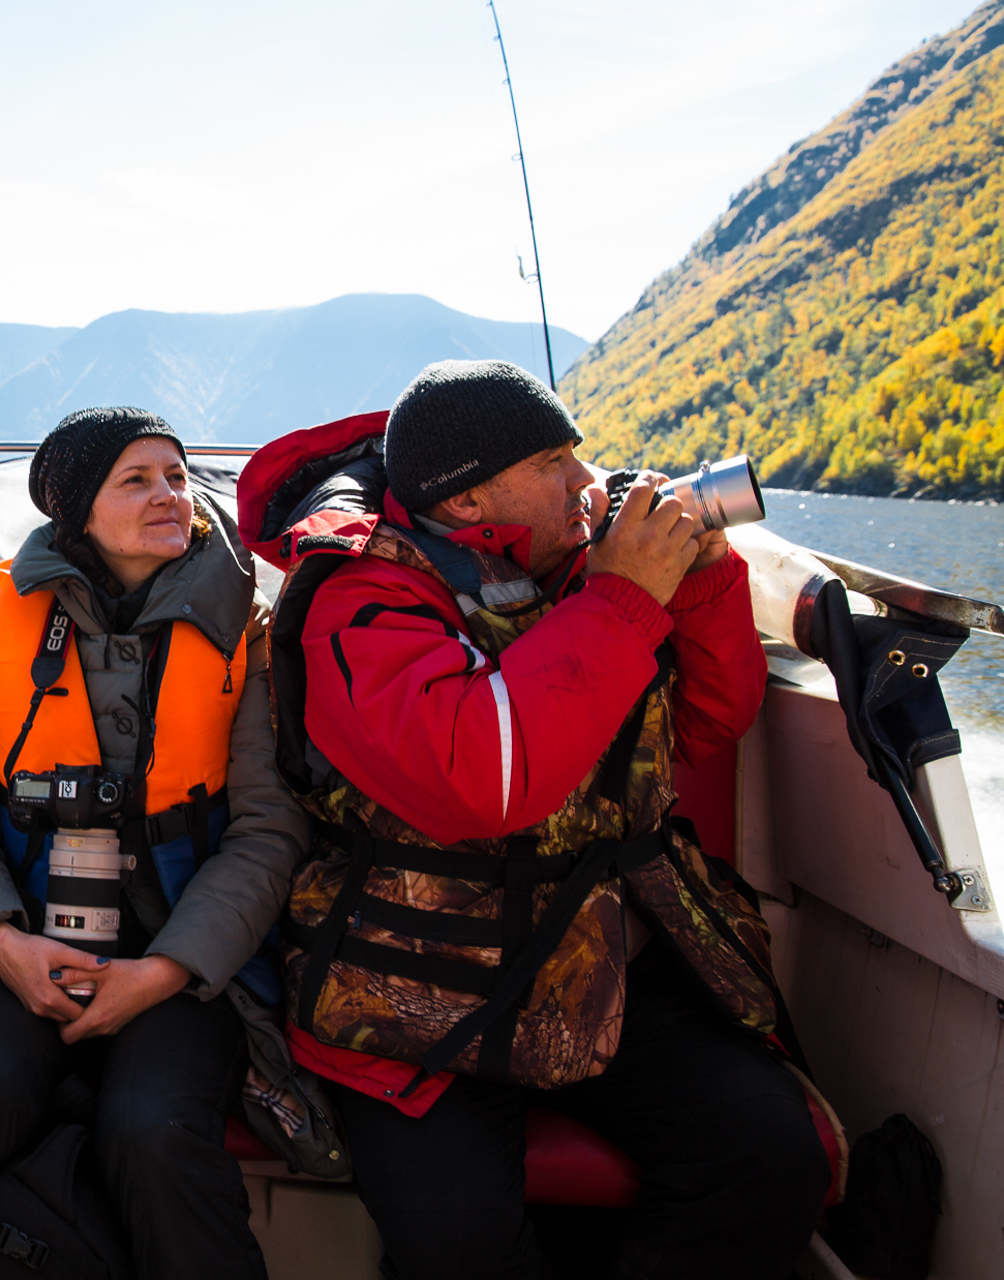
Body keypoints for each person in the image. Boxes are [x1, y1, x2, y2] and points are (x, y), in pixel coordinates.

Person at [239, 360, 832, 1279]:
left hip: (601, 957)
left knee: (770, 1160)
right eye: (555, 463)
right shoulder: (357, 600)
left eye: (578, 455)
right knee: (460, 1246)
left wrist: (701, 580)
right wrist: (623, 599)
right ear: (469, 499)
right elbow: (480, 781)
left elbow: (707, 724)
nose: (586, 483)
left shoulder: (578, 563)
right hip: (415, 988)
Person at [0, 408, 308, 1280]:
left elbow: (267, 830)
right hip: (25, 943)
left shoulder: (245, 627)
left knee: (154, 1128)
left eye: (176, 476)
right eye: (135, 480)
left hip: (186, 959)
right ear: (77, 513)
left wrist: (167, 971)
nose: (169, 494)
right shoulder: (8, 617)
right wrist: (0, 943)